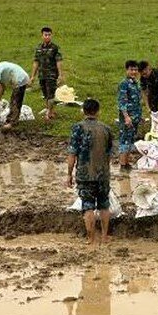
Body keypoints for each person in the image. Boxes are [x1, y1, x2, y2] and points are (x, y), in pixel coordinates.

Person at [67, 98, 114, 245]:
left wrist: (69, 174)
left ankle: (90, 238)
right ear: (98, 112)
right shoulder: (107, 129)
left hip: (85, 174)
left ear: (83, 111)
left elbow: (72, 154)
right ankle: (105, 236)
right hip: (103, 174)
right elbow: (109, 153)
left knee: (87, 206)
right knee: (104, 204)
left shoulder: (78, 128)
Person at [29, 26, 64, 122]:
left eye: (49, 35)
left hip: (51, 75)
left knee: (51, 94)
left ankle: (49, 113)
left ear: (51, 35)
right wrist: (32, 76)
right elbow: (36, 62)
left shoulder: (55, 48)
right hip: (42, 75)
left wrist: (60, 75)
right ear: (42, 36)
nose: (47, 36)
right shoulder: (38, 48)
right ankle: (51, 111)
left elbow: (59, 61)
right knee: (45, 94)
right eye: (45, 35)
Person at [117, 60, 142, 170]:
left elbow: (137, 101)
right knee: (125, 140)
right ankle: (123, 164)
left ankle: (126, 163)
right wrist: (126, 117)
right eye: (131, 69)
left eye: (136, 70)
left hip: (135, 117)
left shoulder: (136, 83)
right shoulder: (124, 84)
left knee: (130, 139)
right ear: (127, 70)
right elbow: (122, 102)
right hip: (128, 117)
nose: (134, 72)